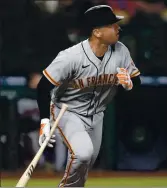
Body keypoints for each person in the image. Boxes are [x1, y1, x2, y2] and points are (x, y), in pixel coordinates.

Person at [37, 5, 141, 187]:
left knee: (85, 163)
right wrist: (45, 121)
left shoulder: (121, 51)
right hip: (68, 111)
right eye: (112, 25)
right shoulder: (70, 57)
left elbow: (136, 80)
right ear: (97, 32)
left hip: (97, 115)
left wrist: (129, 83)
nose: (118, 28)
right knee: (83, 153)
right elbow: (43, 86)